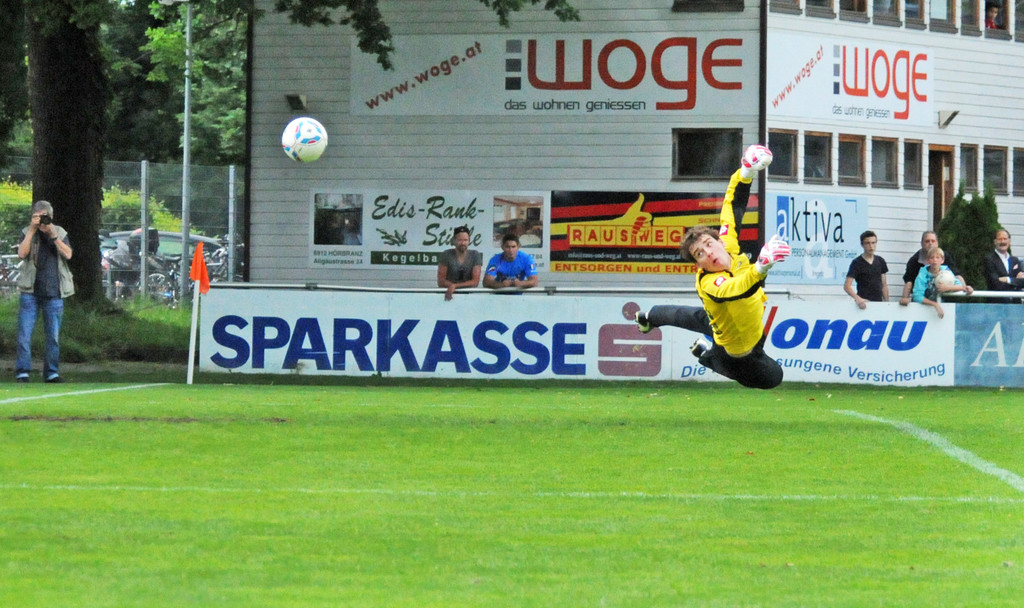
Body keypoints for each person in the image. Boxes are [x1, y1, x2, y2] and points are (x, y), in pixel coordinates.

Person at [634, 145, 790, 390]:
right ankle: (707, 356)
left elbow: (732, 208)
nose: (708, 253)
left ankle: (647, 317)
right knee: (773, 377)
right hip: (737, 351)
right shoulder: (709, 282)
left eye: (708, 244)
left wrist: (745, 173)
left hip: (729, 321)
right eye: (700, 254)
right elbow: (735, 289)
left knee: (689, 316)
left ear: (719, 240)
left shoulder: (728, 244)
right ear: (698, 265)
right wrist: (760, 267)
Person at [15, 200, 75, 383]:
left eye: (45, 216)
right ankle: (23, 372)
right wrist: (32, 230)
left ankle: (51, 373)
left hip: (54, 292)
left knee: (53, 337)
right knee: (24, 335)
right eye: (38, 216)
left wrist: (53, 235)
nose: (42, 220)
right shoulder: (27, 231)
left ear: (51, 216)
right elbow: (21, 254)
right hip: (30, 291)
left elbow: (68, 254)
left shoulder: (60, 232)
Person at [899, 231, 972, 305]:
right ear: (922, 243)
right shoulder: (914, 260)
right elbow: (909, 282)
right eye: (927, 241)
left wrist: (965, 288)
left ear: (937, 243)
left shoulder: (945, 256)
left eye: (933, 241)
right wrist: (905, 298)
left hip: (944, 300)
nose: (930, 243)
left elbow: (956, 275)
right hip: (921, 302)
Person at [912, 246, 969, 319]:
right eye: (932, 258)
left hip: (943, 309)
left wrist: (948, 288)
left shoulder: (946, 272)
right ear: (928, 260)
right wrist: (935, 304)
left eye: (937, 257)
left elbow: (960, 286)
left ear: (942, 260)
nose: (934, 260)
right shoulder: (922, 275)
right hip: (923, 310)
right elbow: (917, 296)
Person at [844, 230, 889, 309]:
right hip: (863, 304)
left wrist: (887, 303)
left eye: (873, 243)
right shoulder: (857, 262)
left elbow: (884, 285)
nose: (871, 246)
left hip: (878, 304)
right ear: (862, 244)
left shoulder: (880, 261)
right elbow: (847, 286)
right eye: (867, 243)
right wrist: (858, 299)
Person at [436, 225, 482, 301]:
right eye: (460, 240)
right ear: (454, 241)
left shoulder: (475, 255)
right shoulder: (446, 254)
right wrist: (453, 286)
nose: (463, 243)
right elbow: (441, 281)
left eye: (465, 240)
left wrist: (455, 286)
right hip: (448, 296)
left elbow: (475, 282)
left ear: (469, 241)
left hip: (469, 297)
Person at [983, 228, 1024, 293]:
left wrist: (1008, 279)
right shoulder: (989, 260)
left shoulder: (1015, 260)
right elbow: (995, 283)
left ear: (1009, 241)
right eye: (1000, 239)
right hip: (998, 298)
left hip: (1015, 299)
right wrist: (1016, 282)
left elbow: (1023, 282)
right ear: (995, 241)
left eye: (1005, 239)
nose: (1002, 242)